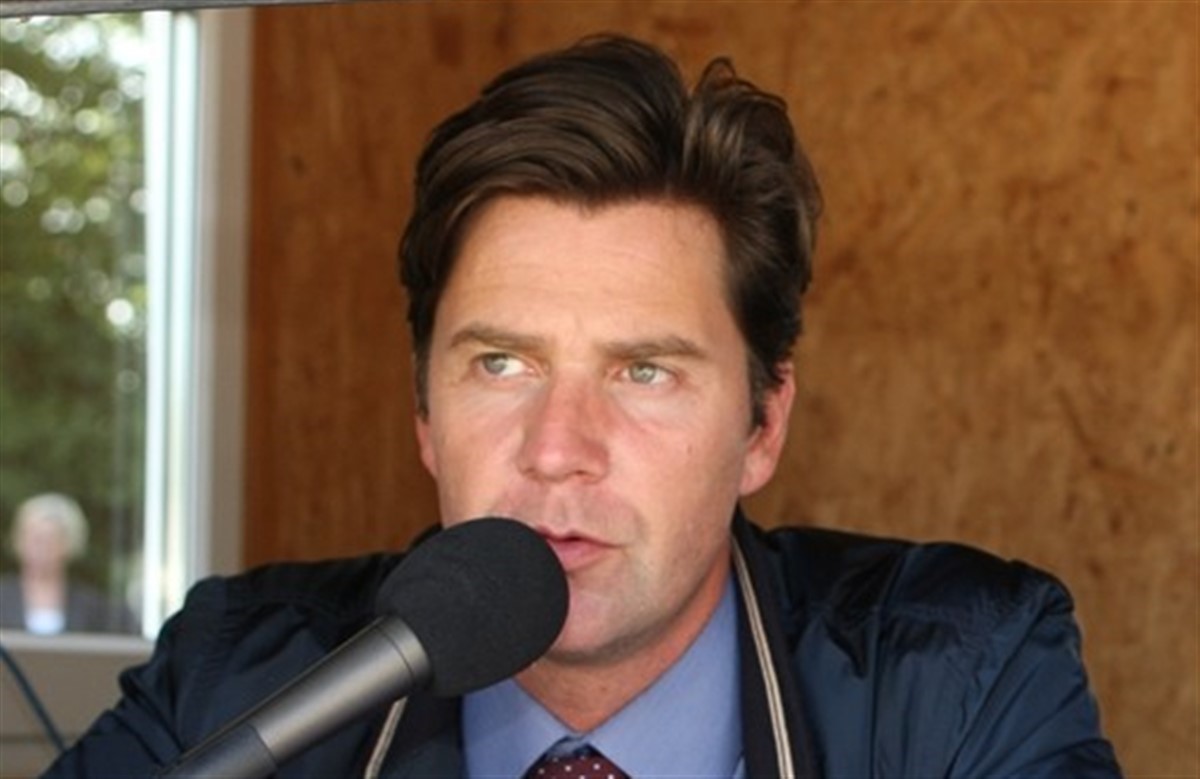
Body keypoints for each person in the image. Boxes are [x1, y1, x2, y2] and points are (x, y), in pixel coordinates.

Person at [44, 35, 1120, 778]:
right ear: (423, 413)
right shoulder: (233, 676)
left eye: (644, 371)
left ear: (763, 425)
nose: (559, 450)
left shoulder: (962, 676)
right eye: (502, 364)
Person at [0, 493, 138, 636]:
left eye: (50, 540)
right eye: (34, 539)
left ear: (69, 545)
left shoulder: (92, 606)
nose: (41, 548)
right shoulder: (3, 596)